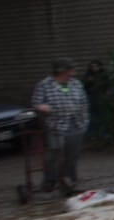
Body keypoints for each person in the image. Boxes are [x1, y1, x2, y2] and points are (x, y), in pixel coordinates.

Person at [31, 58, 89, 195]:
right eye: (70, 70)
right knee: (55, 153)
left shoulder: (76, 84)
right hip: (56, 125)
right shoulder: (45, 85)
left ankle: (69, 182)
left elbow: (84, 103)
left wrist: (85, 121)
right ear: (62, 71)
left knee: (72, 155)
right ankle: (50, 181)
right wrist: (42, 107)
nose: (73, 73)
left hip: (76, 123)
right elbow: (36, 103)